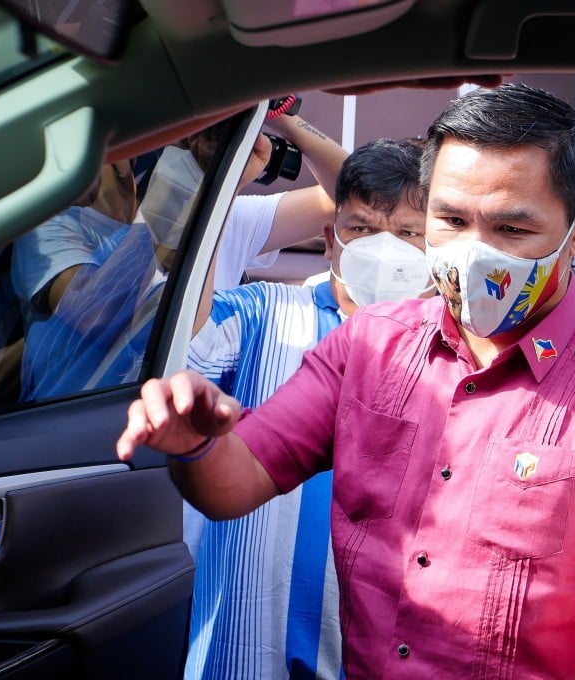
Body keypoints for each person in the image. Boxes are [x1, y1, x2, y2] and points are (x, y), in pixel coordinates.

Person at [116, 82, 575, 678]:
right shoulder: (369, 343)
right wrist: (197, 443)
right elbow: (235, 484)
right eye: (451, 220)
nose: (475, 253)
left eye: (512, 231)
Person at [184, 137, 434, 680]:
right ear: (330, 240)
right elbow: (191, 345)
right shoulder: (265, 311)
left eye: (410, 233)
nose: (384, 248)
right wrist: (218, 192)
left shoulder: (458, 352)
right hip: (246, 641)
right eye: (363, 228)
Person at [15, 111, 347, 401]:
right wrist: (192, 189)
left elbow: (350, 201)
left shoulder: (222, 217)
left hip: (185, 438)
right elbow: (94, 313)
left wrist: (277, 114)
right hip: (84, 444)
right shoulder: (51, 229)